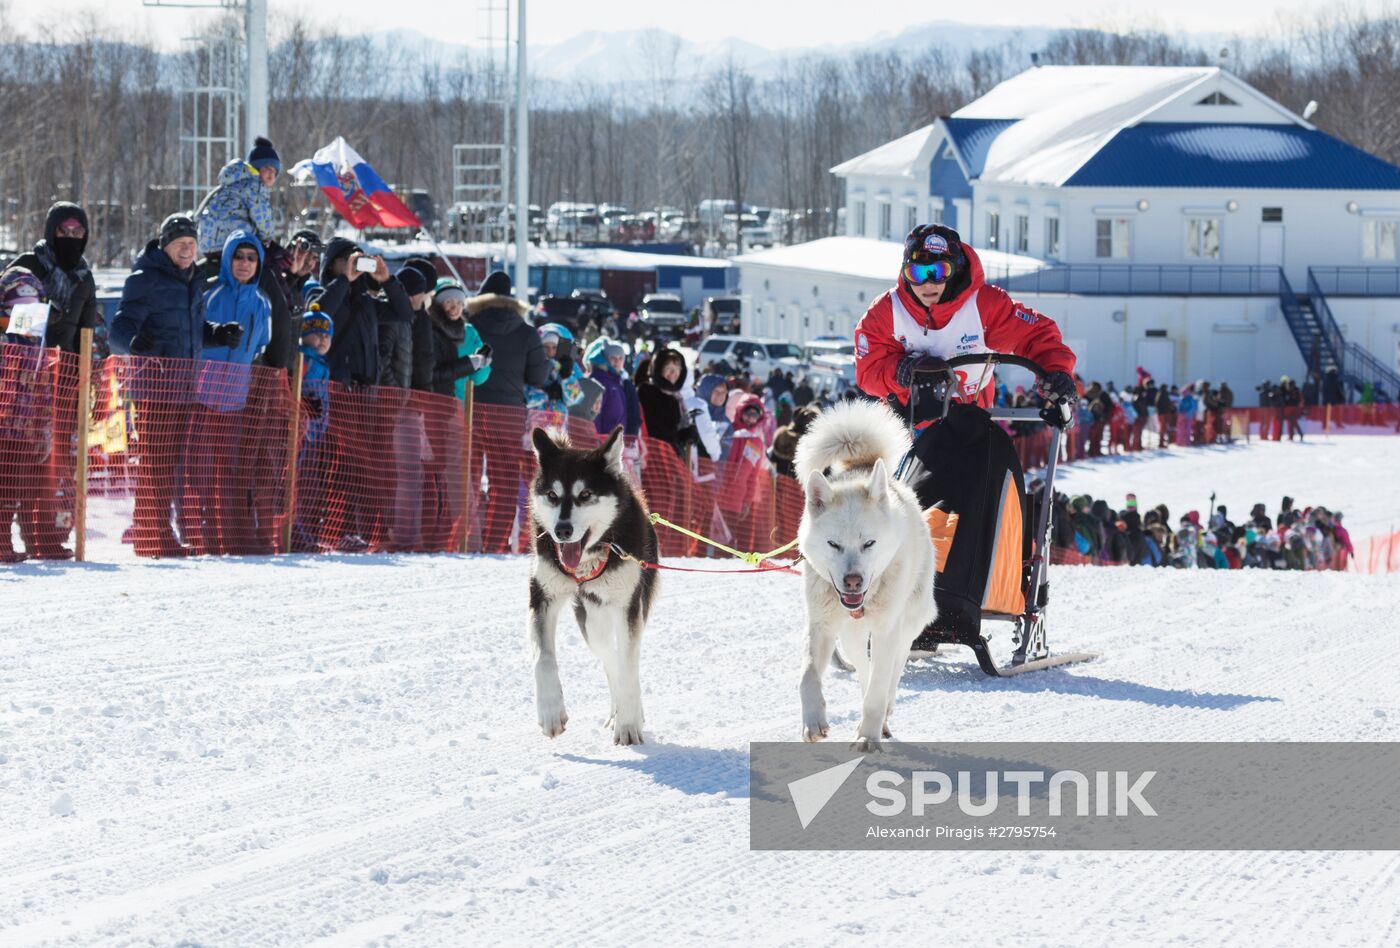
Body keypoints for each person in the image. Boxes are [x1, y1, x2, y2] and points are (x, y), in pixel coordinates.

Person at [109, 214, 243, 557]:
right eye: (180, 243)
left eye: (191, 244)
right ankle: (154, 537)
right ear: (165, 245)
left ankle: (152, 534)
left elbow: (191, 329)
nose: (187, 250)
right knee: (156, 464)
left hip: (185, 385)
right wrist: (132, 341)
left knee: (169, 466)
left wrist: (217, 333)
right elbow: (119, 328)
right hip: (155, 387)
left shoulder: (193, 280)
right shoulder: (146, 278)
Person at [853, 224, 1076, 426]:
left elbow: (1034, 336)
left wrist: (1056, 371)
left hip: (974, 418)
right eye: (917, 273)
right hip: (910, 421)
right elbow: (868, 370)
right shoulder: (887, 311)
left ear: (956, 271)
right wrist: (903, 370)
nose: (927, 284)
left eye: (938, 272)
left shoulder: (983, 305)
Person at [189, 230, 272, 554]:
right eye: (239, 256)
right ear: (227, 259)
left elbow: (260, 347)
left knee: (229, 472)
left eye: (251, 258)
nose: (244, 263)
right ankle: (199, 537)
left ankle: (227, 537)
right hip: (202, 396)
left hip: (236, 399)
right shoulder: (209, 294)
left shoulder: (262, 302)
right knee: (199, 472)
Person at [465, 270, 547, 553]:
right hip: (509, 414)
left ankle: (464, 539)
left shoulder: (469, 325)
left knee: (468, 476)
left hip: (470, 407)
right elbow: (538, 376)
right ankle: (495, 544)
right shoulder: (525, 332)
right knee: (504, 481)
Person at [0, 269, 67, 561]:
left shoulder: (36, 345)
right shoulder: (6, 340)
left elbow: (42, 387)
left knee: (27, 490)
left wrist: (43, 427)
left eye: (32, 309)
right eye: (18, 308)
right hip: (5, 428)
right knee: (5, 490)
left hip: (27, 428)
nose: (26, 316)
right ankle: (3, 544)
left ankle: (37, 541)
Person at [290, 307, 334, 552]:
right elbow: (291, 383)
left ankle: (300, 525)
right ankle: (289, 527)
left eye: (327, 335)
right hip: (299, 428)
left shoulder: (322, 363)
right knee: (291, 479)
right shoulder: (303, 358)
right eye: (317, 334)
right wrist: (305, 403)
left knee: (305, 482)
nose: (323, 339)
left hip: (314, 431)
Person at [195, 137, 280, 262]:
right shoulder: (254, 186)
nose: (271, 174)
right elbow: (262, 216)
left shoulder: (227, 186)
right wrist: (267, 237)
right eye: (267, 168)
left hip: (208, 246)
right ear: (255, 169)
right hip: (235, 243)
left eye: (275, 171)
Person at [637, 346, 693, 459]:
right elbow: (657, 430)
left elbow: (674, 431)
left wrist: (686, 434)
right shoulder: (648, 393)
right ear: (658, 369)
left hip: (671, 454)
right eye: (668, 368)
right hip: (654, 454)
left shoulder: (676, 396)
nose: (673, 372)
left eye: (677, 368)